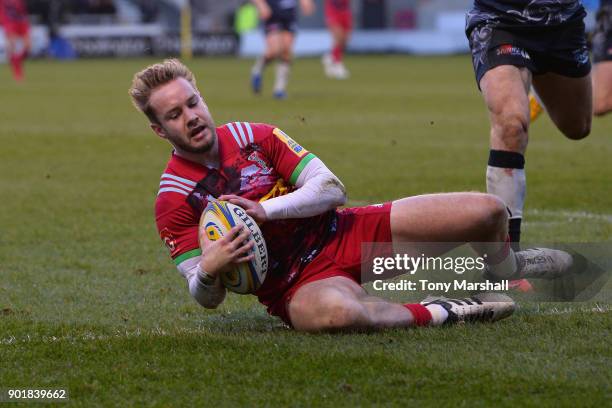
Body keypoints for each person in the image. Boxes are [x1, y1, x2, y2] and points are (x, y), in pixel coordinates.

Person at [129, 59, 580, 332]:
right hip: (295, 286)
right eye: (174, 114)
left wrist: (265, 209)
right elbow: (205, 297)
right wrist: (209, 271)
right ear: (158, 129)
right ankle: (446, 310)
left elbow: (332, 189)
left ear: (202, 98)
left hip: (347, 233)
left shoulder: (257, 135)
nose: (191, 117)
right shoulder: (173, 200)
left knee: (488, 212)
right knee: (338, 317)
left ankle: (510, 266)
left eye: (193, 103)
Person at [466, 0, 593, 257]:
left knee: (577, 126)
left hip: (562, 24)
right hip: (500, 19)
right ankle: (504, 262)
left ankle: (530, 82)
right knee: (512, 125)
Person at [250, 0, 315, 99]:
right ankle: (257, 70)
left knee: (286, 50)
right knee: (275, 50)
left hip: (289, 14)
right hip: (272, 13)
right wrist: (261, 4)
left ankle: (279, 89)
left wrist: (306, 2)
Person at [0, 0, 30, 81]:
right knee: (12, 46)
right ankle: (17, 73)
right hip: (10, 22)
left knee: (28, 47)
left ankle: (16, 61)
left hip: (22, 21)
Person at [322, 0, 352, 79]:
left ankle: (330, 57)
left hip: (345, 10)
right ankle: (337, 64)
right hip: (332, 9)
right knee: (338, 36)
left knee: (345, 40)